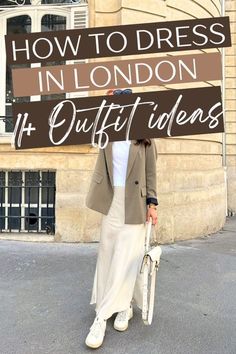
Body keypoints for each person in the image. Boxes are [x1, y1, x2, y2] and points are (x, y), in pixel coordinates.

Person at [84, 88, 158, 349]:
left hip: (135, 204)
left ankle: (103, 317)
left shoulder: (144, 140)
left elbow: (151, 174)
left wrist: (153, 204)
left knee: (128, 258)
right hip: (111, 201)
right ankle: (121, 304)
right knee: (108, 254)